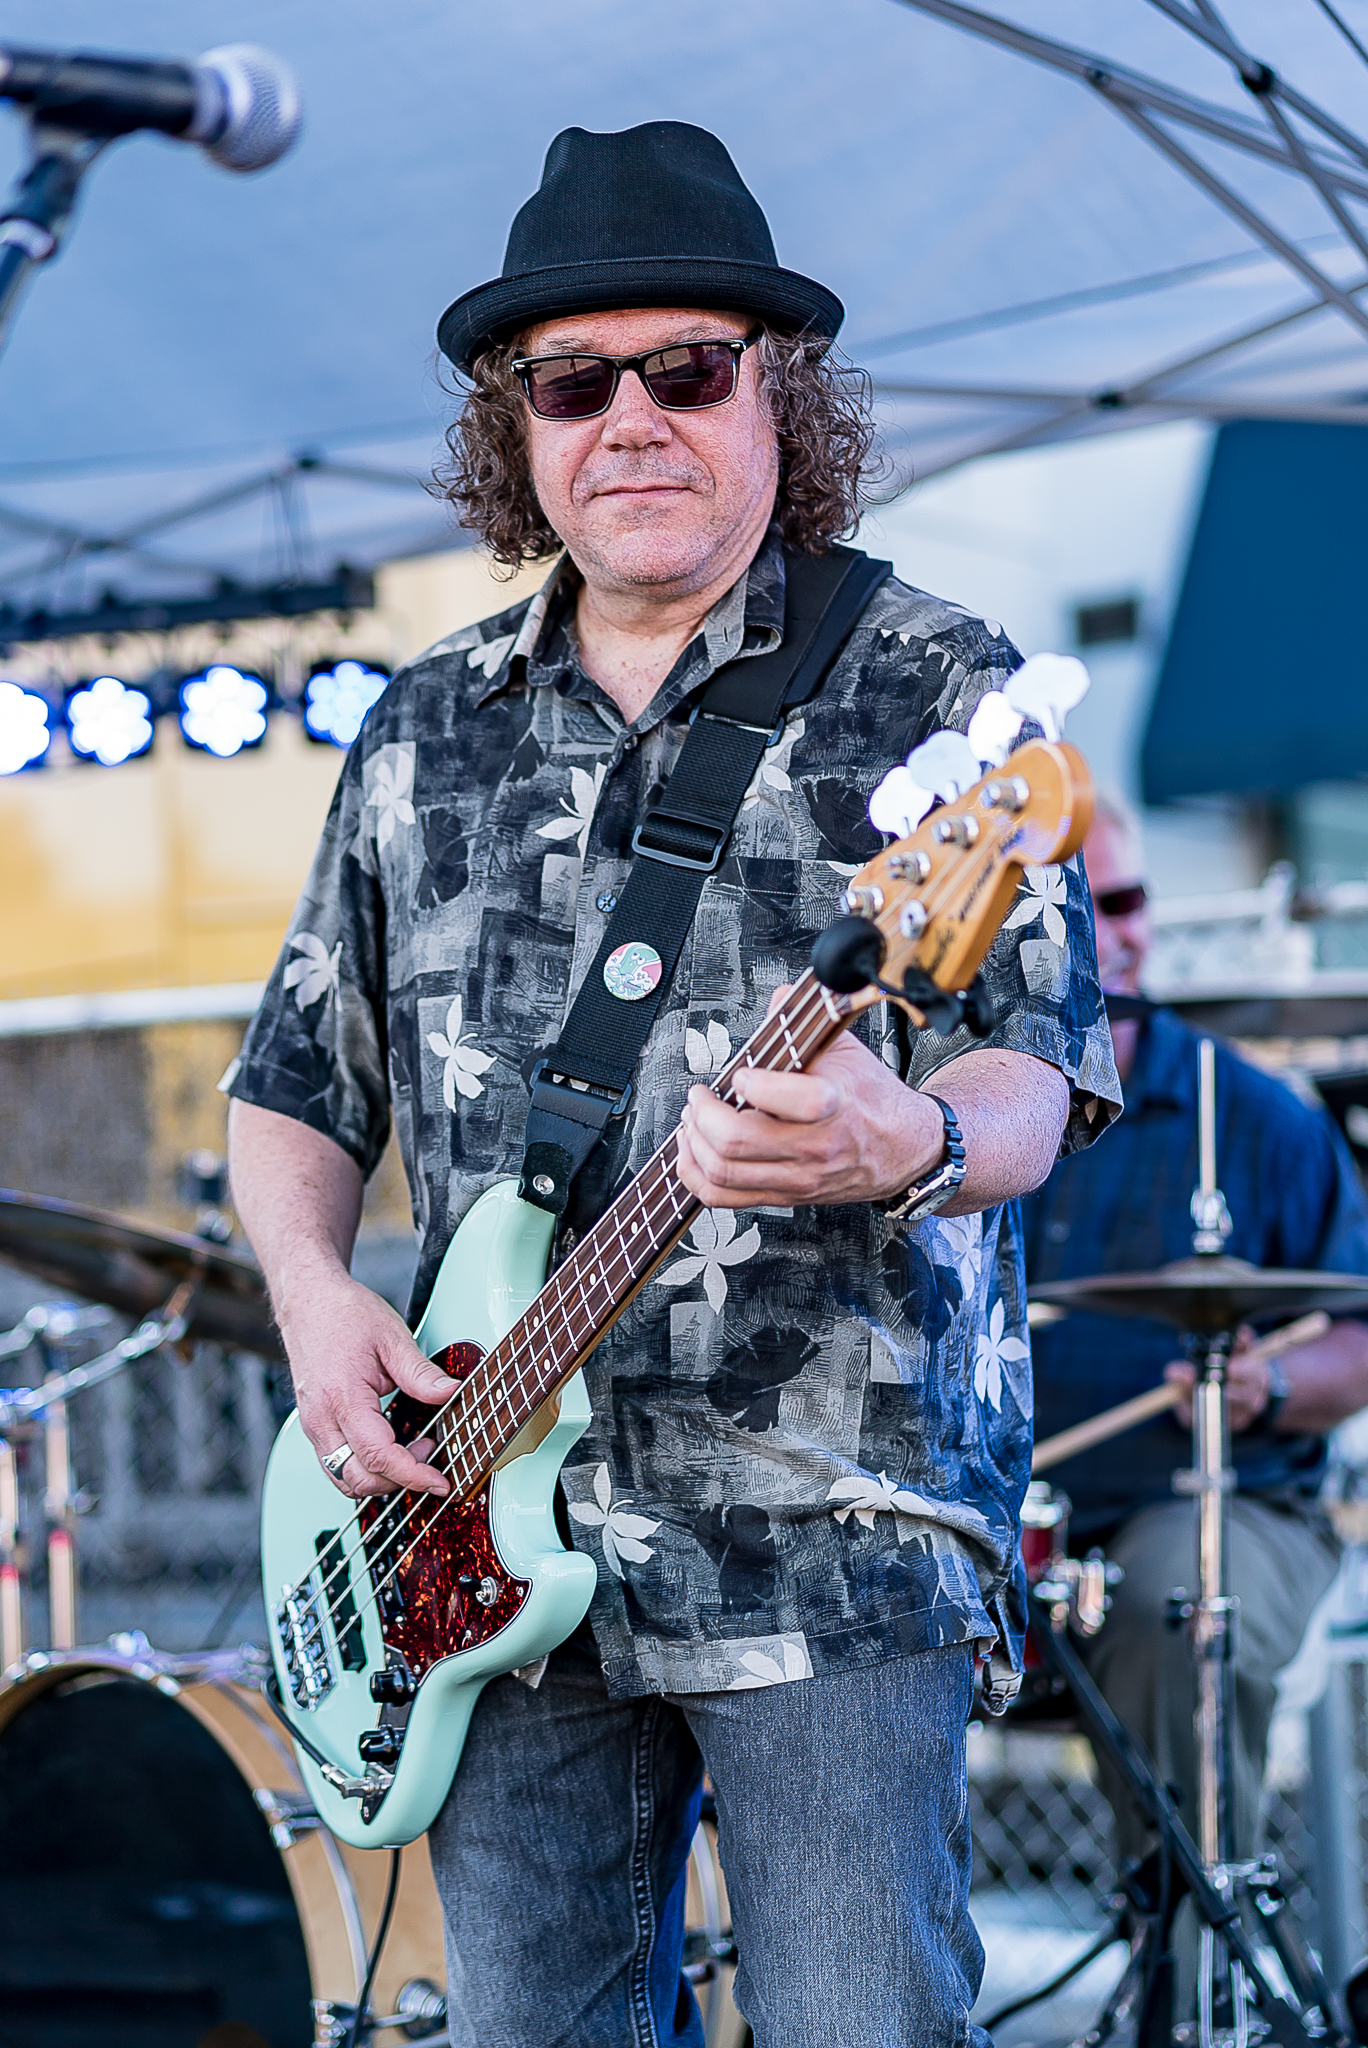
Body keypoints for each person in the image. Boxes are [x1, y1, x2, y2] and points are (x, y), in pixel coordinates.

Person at [227, 121, 1119, 2048]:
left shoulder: (929, 683)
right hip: (466, 1541)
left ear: (776, 397)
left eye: (687, 371)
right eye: (574, 383)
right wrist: (310, 1296)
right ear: (517, 424)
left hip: (827, 1533)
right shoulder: (423, 726)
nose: (629, 420)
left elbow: (1036, 1069)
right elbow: (294, 1079)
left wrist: (910, 1137)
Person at [1024, 792, 1368, 1874]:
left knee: (1177, 1611)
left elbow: (1359, 1333)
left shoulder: (1259, 1117)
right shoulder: (949, 1111)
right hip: (997, 1517)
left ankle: (1183, 1950)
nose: (1115, 931)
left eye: (1128, 900)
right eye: (1078, 905)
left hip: (1221, 1503)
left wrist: (1267, 1385)